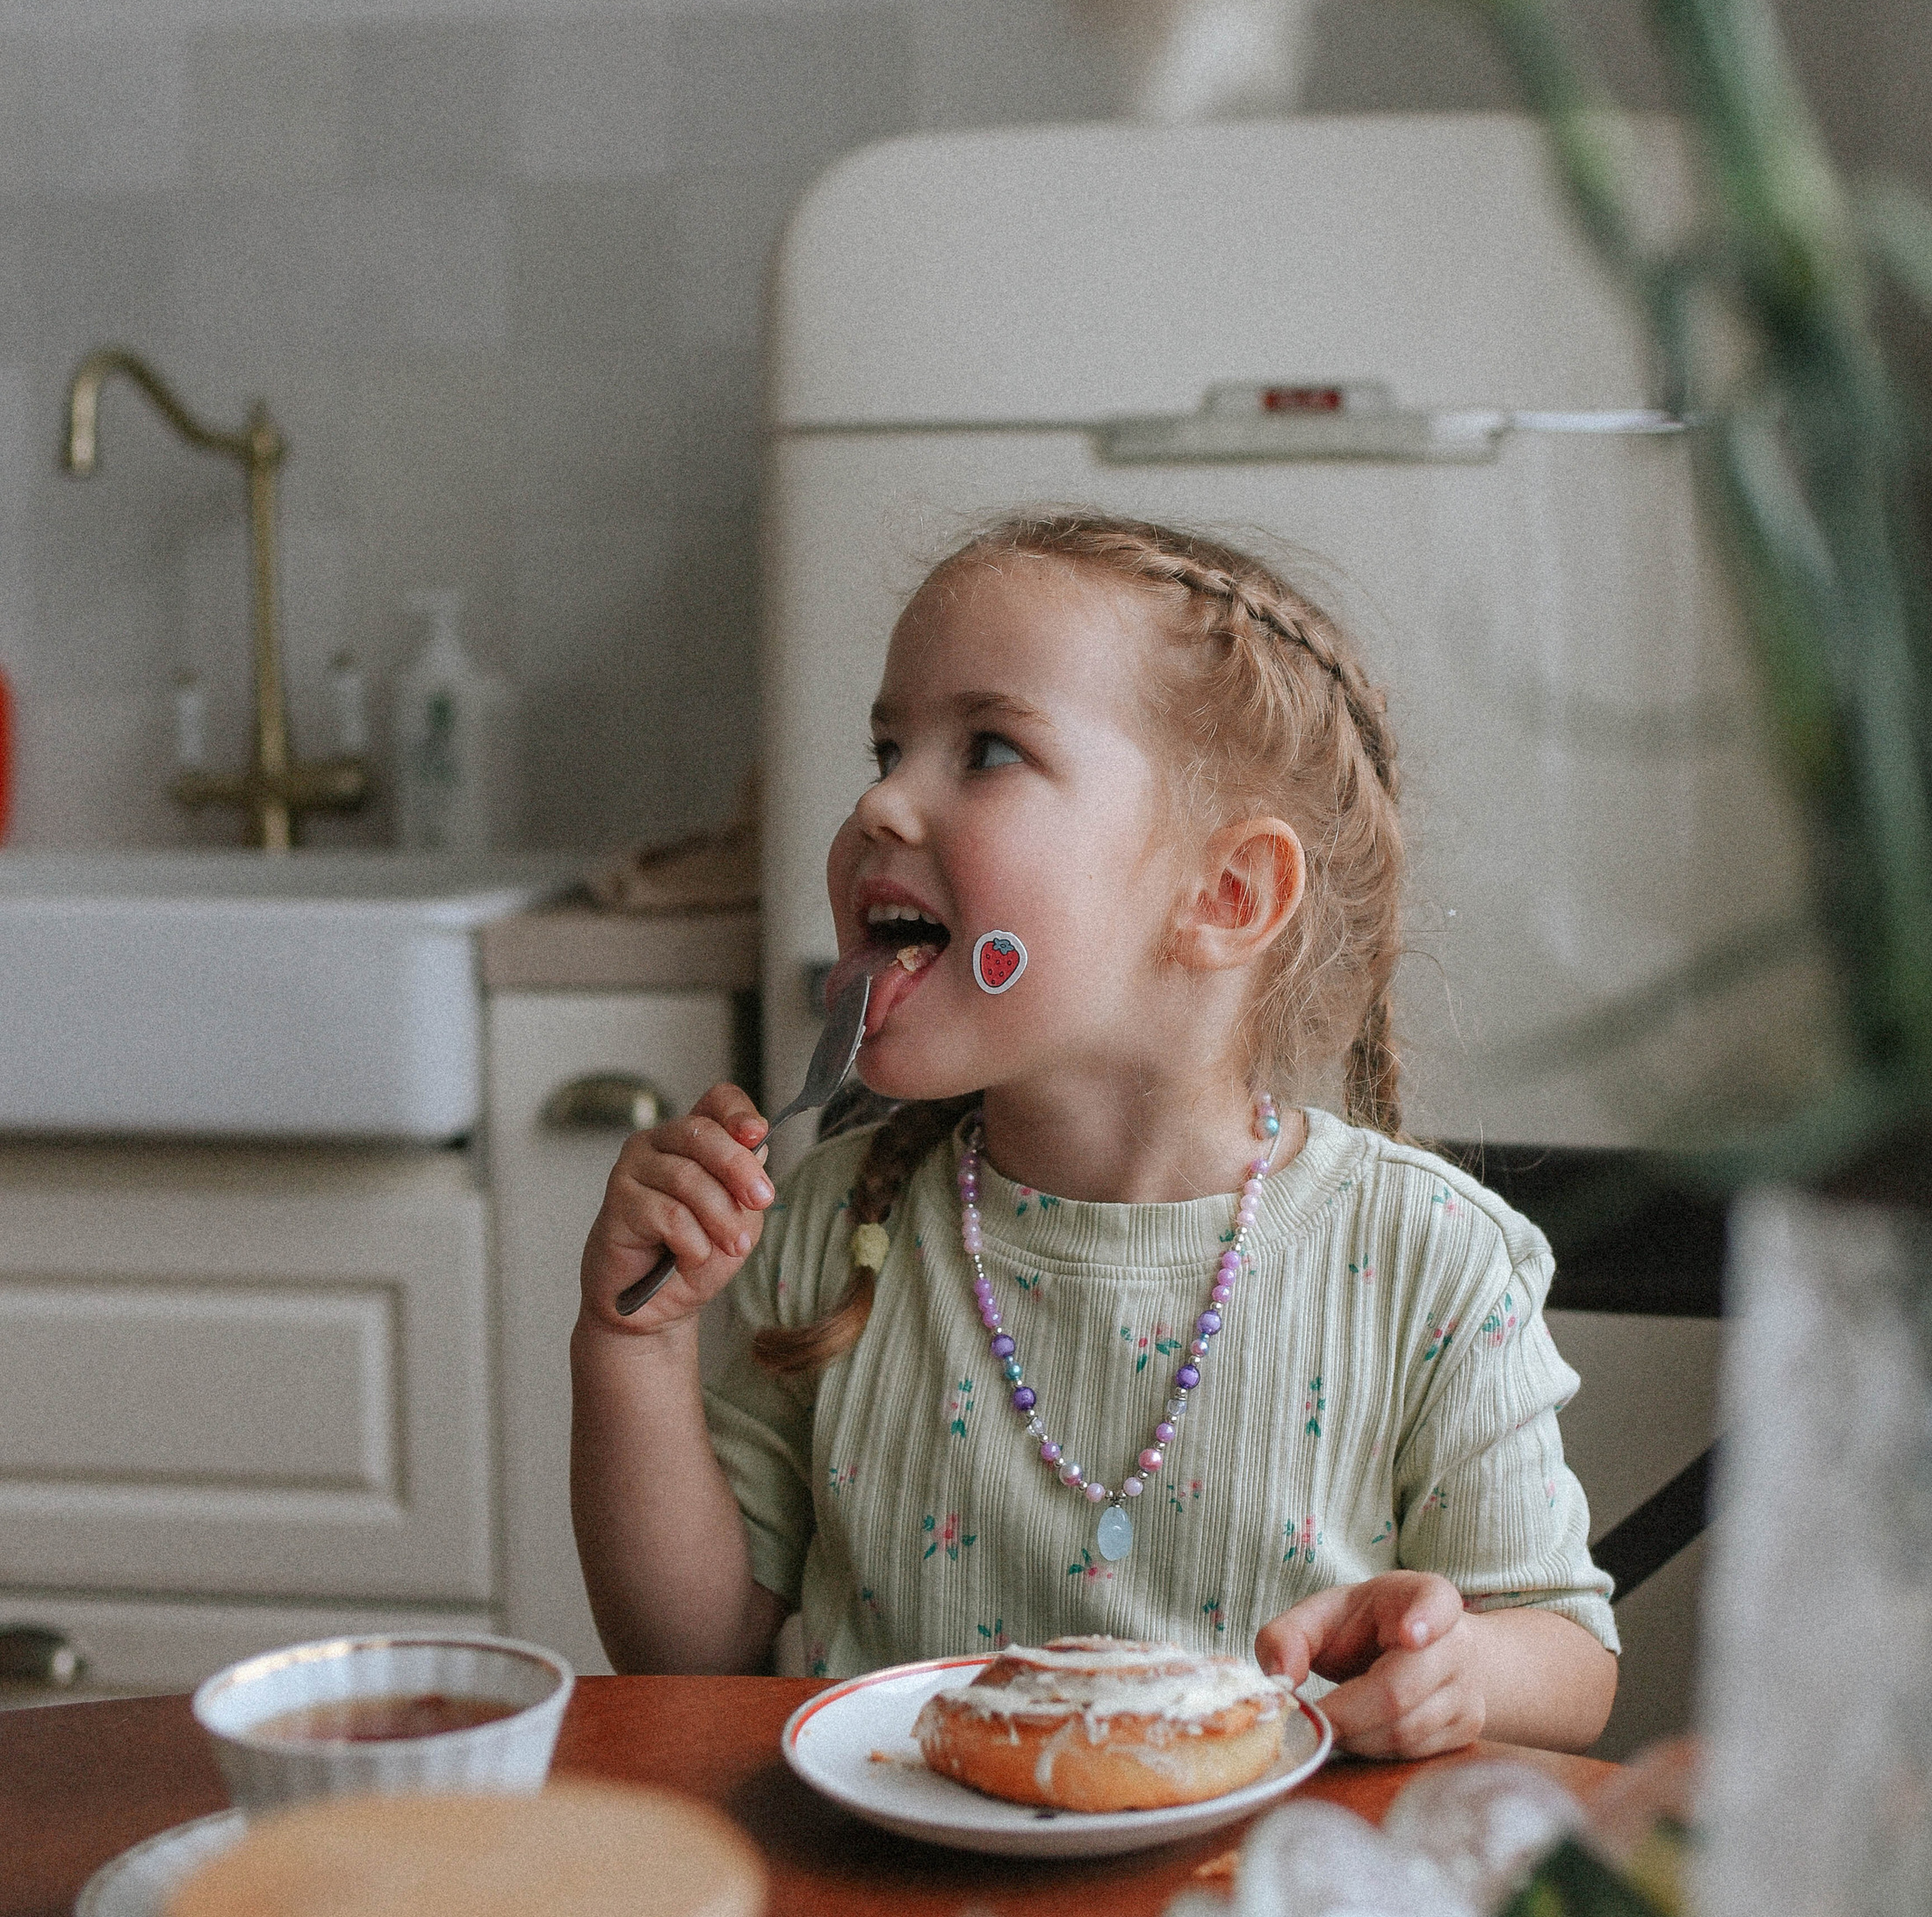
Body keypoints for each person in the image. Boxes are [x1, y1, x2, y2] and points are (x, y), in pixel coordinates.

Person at [571, 512, 1617, 1757]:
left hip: (1264, 1878)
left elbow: (1569, 1657)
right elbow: (692, 1655)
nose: (880, 800)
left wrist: (1461, 1670)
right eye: (888, 747)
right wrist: (635, 1345)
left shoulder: (1427, 1261)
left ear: (1225, 895)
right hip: (899, 1878)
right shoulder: (833, 1226)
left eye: (988, 749)